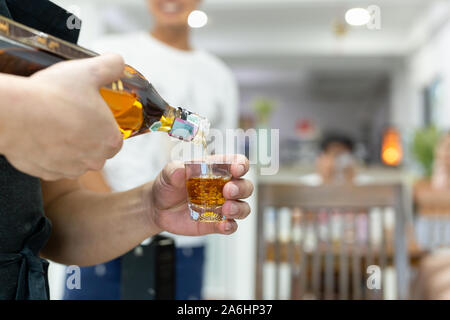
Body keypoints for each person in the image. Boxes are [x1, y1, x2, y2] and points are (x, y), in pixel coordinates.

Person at [0, 0, 253, 300]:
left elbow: (54, 213)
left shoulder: (216, 74)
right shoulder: (115, 54)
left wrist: (150, 210)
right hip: (106, 261)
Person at [63, 0, 239, 300]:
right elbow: (76, 132)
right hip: (102, 233)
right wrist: (123, 217)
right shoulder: (111, 54)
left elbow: (219, 157)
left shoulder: (218, 75)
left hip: (182, 245)